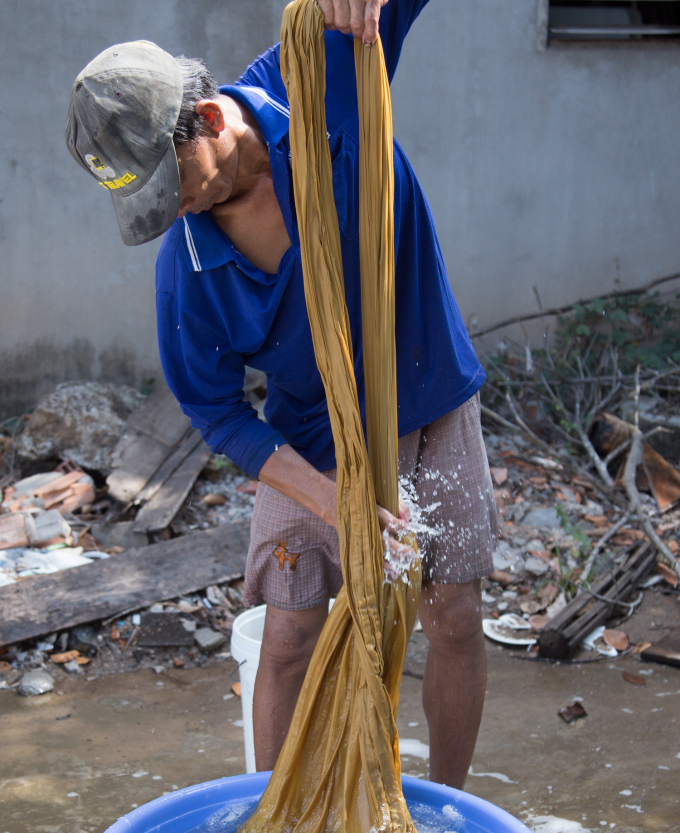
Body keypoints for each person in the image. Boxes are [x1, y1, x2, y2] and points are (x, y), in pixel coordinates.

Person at [65, 0, 498, 788]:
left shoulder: (315, 74)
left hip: (426, 389)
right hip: (313, 433)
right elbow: (217, 411)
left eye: (172, 183)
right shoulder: (189, 269)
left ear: (206, 119)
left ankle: (444, 812)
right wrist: (334, 501)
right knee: (291, 633)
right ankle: (281, 823)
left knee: (452, 617)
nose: (171, 210)